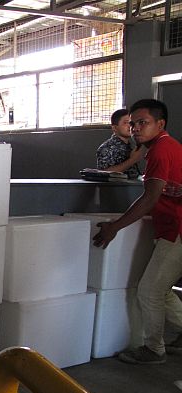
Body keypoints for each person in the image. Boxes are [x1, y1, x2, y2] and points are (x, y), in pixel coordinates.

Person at [93, 99, 182, 365]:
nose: (135, 129)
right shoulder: (163, 147)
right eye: (132, 124)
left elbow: (149, 198)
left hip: (177, 228)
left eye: (142, 123)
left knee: (149, 291)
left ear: (160, 124)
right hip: (171, 226)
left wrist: (114, 227)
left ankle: (154, 349)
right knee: (162, 289)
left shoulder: (161, 151)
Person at [96, 108, 145, 178]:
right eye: (125, 122)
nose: (130, 126)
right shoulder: (106, 147)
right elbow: (104, 173)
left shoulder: (129, 145)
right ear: (115, 128)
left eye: (131, 123)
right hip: (116, 188)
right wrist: (133, 160)